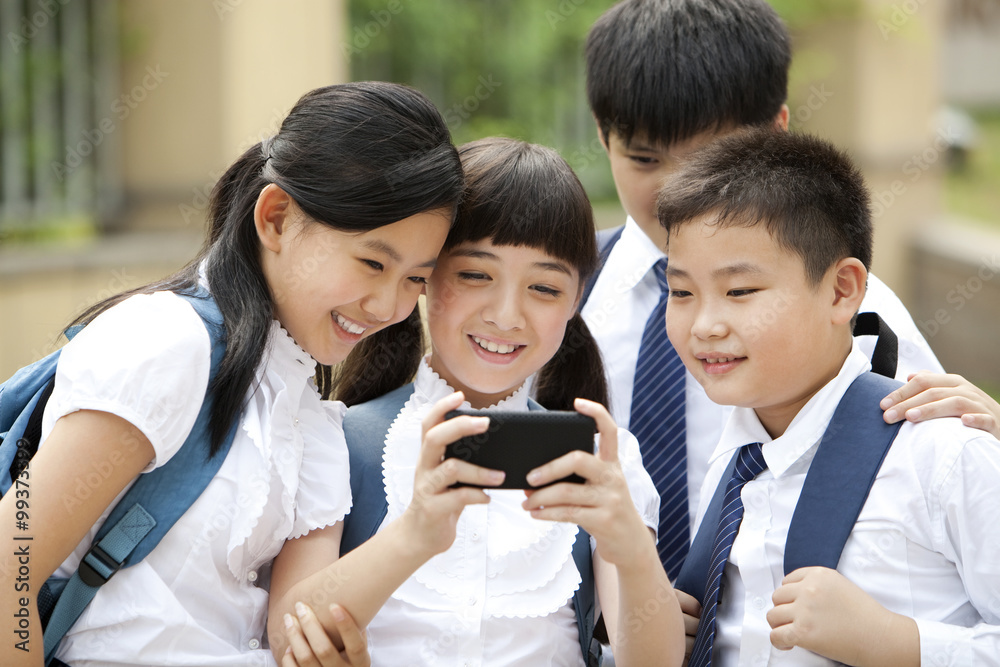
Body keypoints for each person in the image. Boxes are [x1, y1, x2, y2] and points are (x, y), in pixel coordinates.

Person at [0, 81, 465, 667]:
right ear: (274, 219)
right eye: (373, 262)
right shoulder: (168, 344)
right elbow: (9, 573)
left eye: (415, 280)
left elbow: (293, 637)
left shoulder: (307, 414)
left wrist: (420, 533)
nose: (389, 306)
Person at [580, 0, 999, 581]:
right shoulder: (560, 293)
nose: (678, 190)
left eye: (709, 159)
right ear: (602, 135)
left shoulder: (851, 309)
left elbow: (941, 472)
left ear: (774, 134)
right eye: (645, 158)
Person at [285, 137, 685, 666]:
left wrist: (629, 544)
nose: (506, 315)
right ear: (425, 278)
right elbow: (289, 629)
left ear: (576, 298)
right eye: (475, 274)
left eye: (544, 288)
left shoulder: (606, 460)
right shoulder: (334, 439)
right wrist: (414, 534)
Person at [659, 126, 1000, 665]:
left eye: (740, 291)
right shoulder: (733, 462)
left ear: (842, 290)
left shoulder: (945, 455)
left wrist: (897, 642)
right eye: (681, 292)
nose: (703, 324)